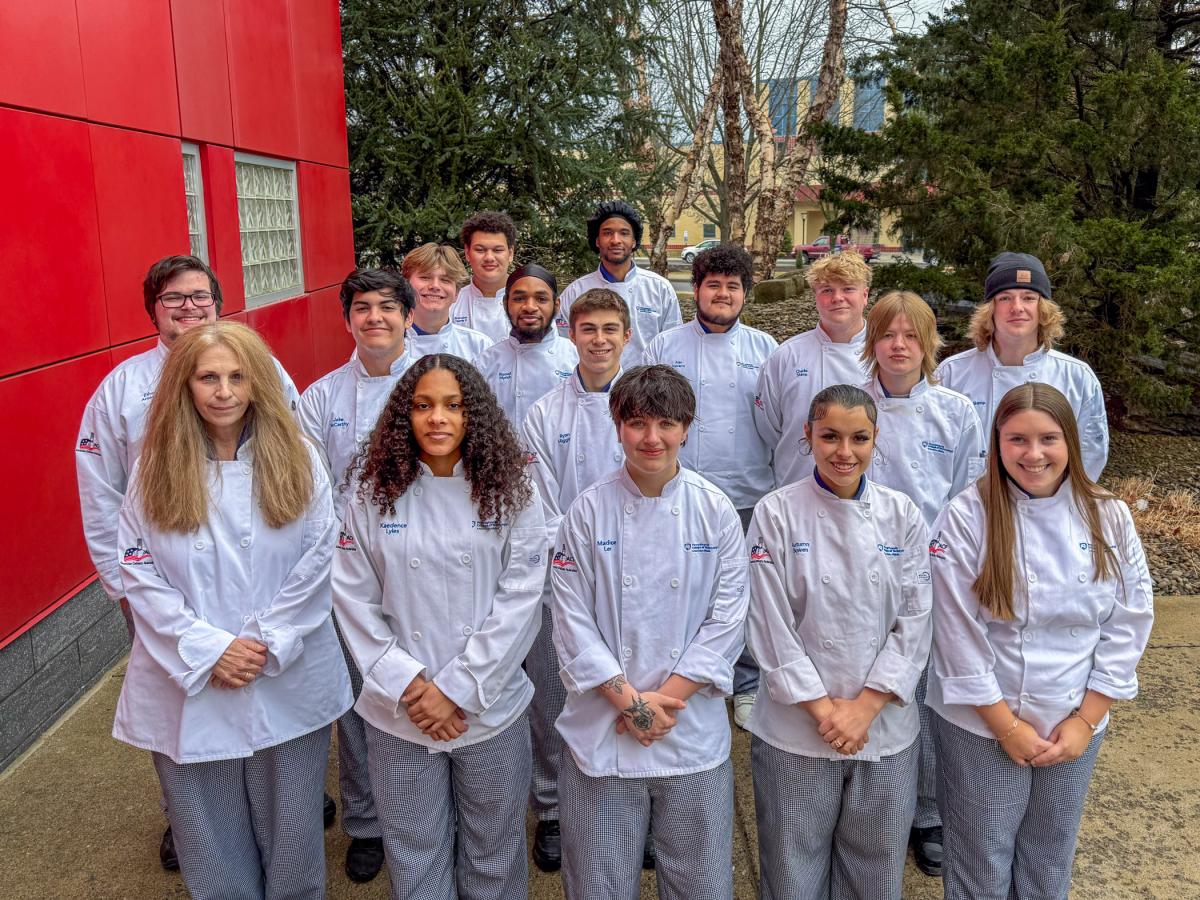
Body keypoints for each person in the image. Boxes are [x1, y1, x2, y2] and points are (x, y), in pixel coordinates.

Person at [113, 321, 352, 900]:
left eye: (237, 376)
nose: (224, 390)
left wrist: (264, 640)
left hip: (285, 674)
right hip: (190, 679)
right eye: (208, 377)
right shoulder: (153, 469)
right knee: (206, 836)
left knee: (293, 832)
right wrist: (210, 648)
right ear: (184, 386)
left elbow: (322, 557)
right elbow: (137, 569)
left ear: (258, 384)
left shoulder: (298, 457)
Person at [76, 254, 300, 871]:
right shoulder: (121, 388)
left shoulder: (264, 368)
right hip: (163, 583)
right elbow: (99, 490)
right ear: (153, 309)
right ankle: (190, 819)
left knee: (264, 686)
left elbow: (300, 461)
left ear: (219, 303)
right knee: (186, 705)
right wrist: (123, 584)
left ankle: (279, 806)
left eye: (200, 296)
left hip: (260, 577)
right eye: (173, 298)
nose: (188, 307)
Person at [332, 355, 547, 900]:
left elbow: (521, 595)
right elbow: (353, 595)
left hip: (489, 708)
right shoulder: (370, 490)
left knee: (494, 848)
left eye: (453, 405)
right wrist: (410, 684)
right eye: (423, 405)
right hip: (401, 713)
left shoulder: (511, 486)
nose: (437, 418)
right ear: (404, 415)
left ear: (474, 414)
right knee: (414, 847)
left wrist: (455, 689)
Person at [927, 382, 1153, 900]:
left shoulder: (1108, 514)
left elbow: (1130, 621)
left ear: (1070, 442)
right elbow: (956, 633)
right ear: (997, 444)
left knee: (1050, 859)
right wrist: (1006, 728)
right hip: (981, 723)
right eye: (1017, 440)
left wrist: (1084, 720)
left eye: (1048, 438)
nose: (1033, 454)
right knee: (979, 859)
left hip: (1075, 719)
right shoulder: (967, 515)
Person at [550, 365, 749, 900]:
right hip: (603, 731)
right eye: (637, 423)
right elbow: (571, 621)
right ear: (617, 427)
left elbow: (727, 621)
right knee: (599, 881)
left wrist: (657, 706)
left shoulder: (716, 511)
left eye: (665, 423)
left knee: (699, 881)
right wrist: (629, 703)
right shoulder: (587, 512)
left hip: (688, 731)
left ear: (686, 428)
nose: (651, 438)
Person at [745, 384, 931, 900]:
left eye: (858, 438)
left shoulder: (903, 515)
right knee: (790, 867)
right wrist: (827, 711)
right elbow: (768, 623)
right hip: (797, 728)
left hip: (884, 728)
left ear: (876, 440)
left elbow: (916, 620)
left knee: (874, 866)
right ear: (807, 436)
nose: (843, 452)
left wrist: (865, 707)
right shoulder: (776, 514)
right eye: (829, 436)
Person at [296, 267, 420, 882]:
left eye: (388, 307)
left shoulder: (436, 384)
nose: (376, 317)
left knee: (422, 684)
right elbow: (311, 494)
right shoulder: (319, 398)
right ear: (347, 318)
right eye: (363, 308)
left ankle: (421, 814)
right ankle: (367, 823)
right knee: (359, 699)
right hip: (350, 570)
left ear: (407, 314)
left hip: (426, 564)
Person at [858, 290, 985, 877]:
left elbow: (970, 499)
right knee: (870, 685)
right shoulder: (851, 405)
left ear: (931, 343)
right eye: (888, 335)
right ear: (872, 342)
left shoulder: (956, 412)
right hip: (859, 573)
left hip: (933, 575)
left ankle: (930, 812)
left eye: (912, 335)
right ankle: (875, 798)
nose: (899, 346)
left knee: (930, 690)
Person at [641, 244, 777, 730]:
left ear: (745, 294)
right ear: (695, 289)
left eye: (732, 286)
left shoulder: (766, 351)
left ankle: (745, 683)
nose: (722, 294)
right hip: (681, 495)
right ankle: (682, 678)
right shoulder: (664, 346)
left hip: (747, 492)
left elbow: (776, 424)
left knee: (744, 594)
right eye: (713, 284)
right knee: (682, 588)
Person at [520, 287, 631, 872]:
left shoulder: (642, 405)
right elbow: (539, 507)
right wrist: (589, 548)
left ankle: (630, 802)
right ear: (571, 333)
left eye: (611, 329)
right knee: (555, 694)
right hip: (563, 573)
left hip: (634, 577)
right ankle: (552, 806)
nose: (600, 340)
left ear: (627, 336)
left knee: (626, 687)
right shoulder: (544, 413)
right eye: (588, 329)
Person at [934, 252, 1109, 481]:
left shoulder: (1077, 378)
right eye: (1005, 298)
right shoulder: (952, 374)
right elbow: (937, 453)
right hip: (970, 509)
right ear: (990, 309)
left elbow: (1090, 456)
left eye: (1028, 298)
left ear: (1043, 309)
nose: (1017, 307)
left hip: (1048, 509)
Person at [754, 252, 873, 489]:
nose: (837, 298)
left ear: (865, 295)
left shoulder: (883, 354)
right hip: (796, 487)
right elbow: (769, 428)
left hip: (867, 492)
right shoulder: (786, 356)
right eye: (827, 290)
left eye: (848, 289)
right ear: (815, 297)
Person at [555, 200, 682, 366]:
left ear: (634, 241)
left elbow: (672, 346)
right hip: (592, 388)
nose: (616, 240)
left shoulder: (660, 289)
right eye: (607, 233)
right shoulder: (575, 292)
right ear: (597, 241)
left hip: (647, 388)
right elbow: (564, 349)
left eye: (624, 233)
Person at [475, 263, 579, 427]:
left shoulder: (576, 358)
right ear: (505, 304)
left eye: (541, 299)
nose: (529, 307)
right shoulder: (485, 363)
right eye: (519, 298)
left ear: (556, 306)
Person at [402, 243, 491, 362]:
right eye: (425, 277)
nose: (435, 286)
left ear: (456, 294)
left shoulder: (479, 346)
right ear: (406, 286)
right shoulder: (387, 344)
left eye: (445, 280)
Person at [451, 211, 517, 344]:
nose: (489, 258)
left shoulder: (528, 304)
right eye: (480, 250)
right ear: (467, 253)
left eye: (498, 250)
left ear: (510, 254)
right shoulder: (452, 303)